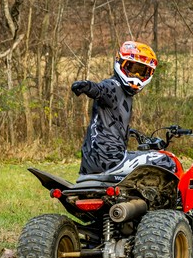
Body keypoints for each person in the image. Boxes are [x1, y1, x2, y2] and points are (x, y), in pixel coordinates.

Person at [71, 41, 173, 177]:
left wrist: (131, 132)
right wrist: (87, 86)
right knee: (167, 161)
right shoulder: (113, 86)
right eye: (132, 68)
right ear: (121, 63)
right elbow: (100, 90)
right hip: (110, 160)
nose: (136, 76)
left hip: (90, 163)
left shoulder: (124, 94)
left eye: (142, 72)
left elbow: (110, 120)